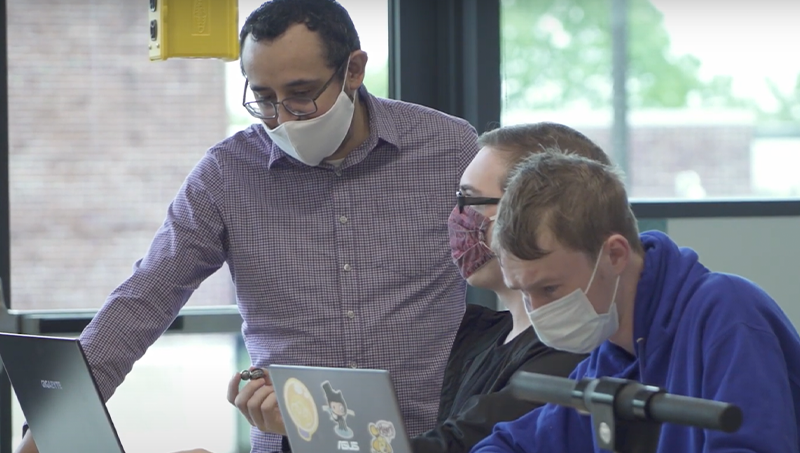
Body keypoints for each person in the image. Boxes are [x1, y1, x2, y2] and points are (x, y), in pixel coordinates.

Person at [15, 1, 480, 452]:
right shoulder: (227, 173)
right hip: (291, 441)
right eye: (263, 98)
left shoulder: (449, 148)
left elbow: (515, 266)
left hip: (436, 438)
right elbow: (145, 296)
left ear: (353, 71)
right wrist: (51, 423)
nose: (280, 117)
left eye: (301, 95)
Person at [217, 123, 607, 453]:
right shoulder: (478, 331)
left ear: (531, 214)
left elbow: (451, 446)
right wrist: (301, 419)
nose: (456, 217)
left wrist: (311, 428)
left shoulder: (572, 348)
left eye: (469, 200)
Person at [471, 150, 800, 452]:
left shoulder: (727, 314)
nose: (537, 311)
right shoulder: (609, 356)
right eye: (524, 293)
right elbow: (513, 444)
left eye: (550, 289)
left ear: (614, 254)